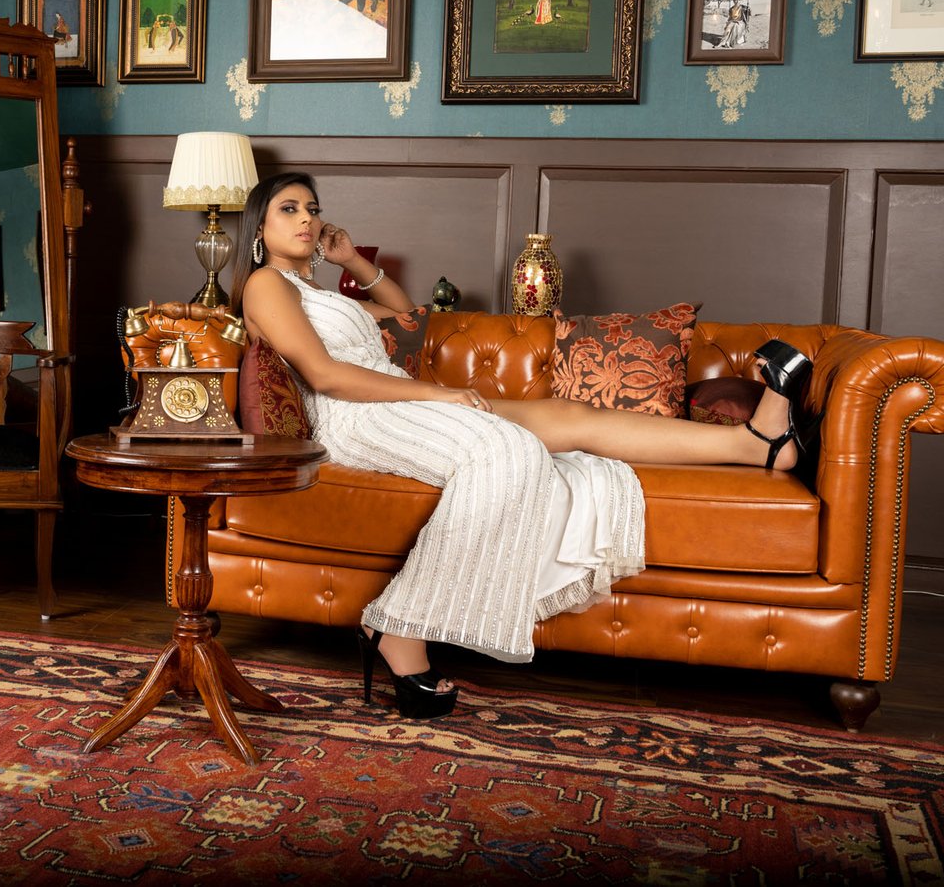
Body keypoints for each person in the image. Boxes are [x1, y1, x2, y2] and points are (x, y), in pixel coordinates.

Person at [229, 173, 814, 719]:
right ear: (259, 228)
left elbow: (408, 317)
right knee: (506, 452)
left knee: (572, 417)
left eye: (312, 209)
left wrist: (353, 261)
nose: (306, 219)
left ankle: (756, 444)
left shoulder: (317, 292)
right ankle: (399, 627)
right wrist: (441, 394)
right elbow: (326, 376)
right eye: (289, 209)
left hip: (397, 399)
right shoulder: (265, 284)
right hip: (359, 417)